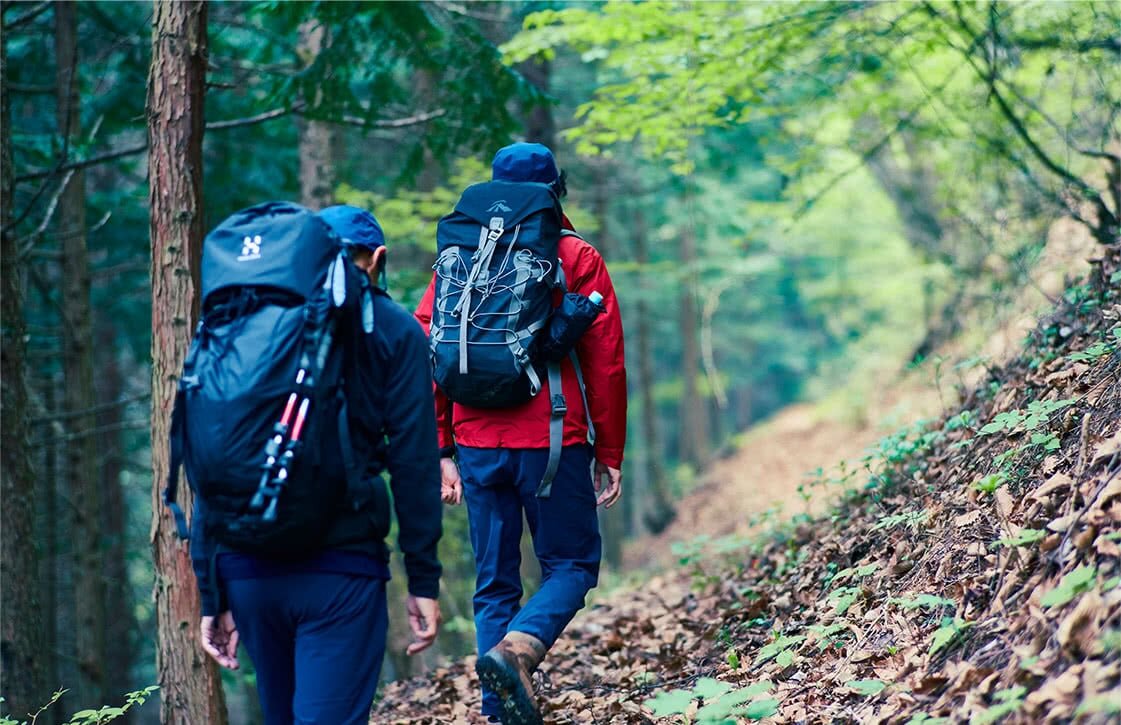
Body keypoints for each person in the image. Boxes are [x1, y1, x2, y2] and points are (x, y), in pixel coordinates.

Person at [195, 204, 444, 725]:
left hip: (248, 569)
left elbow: (209, 455)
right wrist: (422, 578)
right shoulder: (395, 330)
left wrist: (211, 589)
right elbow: (415, 462)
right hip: (341, 570)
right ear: (377, 259)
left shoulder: (245, 323)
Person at [415, 143, 627, 724]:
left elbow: (429, 347)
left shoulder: (460, 254)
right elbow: (605, 362)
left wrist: (440, 448)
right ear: (555, 191)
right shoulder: (575, 255)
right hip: (553, 441)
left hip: (477, 443)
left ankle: (497, 710)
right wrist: (608, 451)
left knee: (494, 584)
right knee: (573, 565)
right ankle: (520, 649)